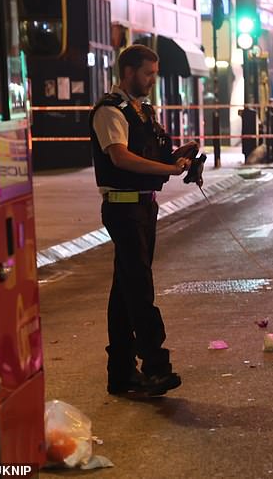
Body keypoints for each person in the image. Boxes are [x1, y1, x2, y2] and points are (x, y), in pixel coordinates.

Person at [89, 44, 198, 396]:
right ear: (128, 72)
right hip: (123, 208)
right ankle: (155, 366)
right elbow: (120, 158)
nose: (153, 80)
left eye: (155, 73)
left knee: (125, 291)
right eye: (148, 74)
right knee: (139, 289)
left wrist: (181, 158)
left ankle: (120, 373)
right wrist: (169, 169)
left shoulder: (143, 112)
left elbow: (154, 155)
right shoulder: (110, 111)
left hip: (145, 207)